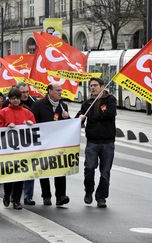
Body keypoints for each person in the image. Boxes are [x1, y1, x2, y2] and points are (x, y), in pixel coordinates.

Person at [76, 78, 117, 208]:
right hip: (92, 142)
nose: (92, 88)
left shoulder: (110, 99)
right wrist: (80, 119)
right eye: (91, 86)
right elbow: (78, 118)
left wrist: (93, 115)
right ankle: (88, 191)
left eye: (95, 85)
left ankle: (101, 197)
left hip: (107, 142)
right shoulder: (87, 103)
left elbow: (110, 114)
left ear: (102, 86)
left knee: (105, 172)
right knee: (89, 168)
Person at [0, 87, 35, 210]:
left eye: (17, 98)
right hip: (8, 150)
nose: (15, 100)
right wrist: (7, 126)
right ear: (9, 99)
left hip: (22, 150)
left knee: (20, 176)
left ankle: (16, 200)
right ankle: (7, 195)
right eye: (13, 98)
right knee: (9, 175)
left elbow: (35, 127)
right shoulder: (3, 112)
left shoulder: (27, 112)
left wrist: (30, 124)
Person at [30, 83, 70, 207]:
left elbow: (68, 125)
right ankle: (46, 195)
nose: (60, 92)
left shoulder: (63, 105)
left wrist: (67, 118)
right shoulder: (38, 105)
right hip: (43, 144)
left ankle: (61, 196)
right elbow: (32, 122)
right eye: (58, 90)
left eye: (61, 90)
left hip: (58, 144)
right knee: (44, 170)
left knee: (60, 169)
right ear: (50, 91)